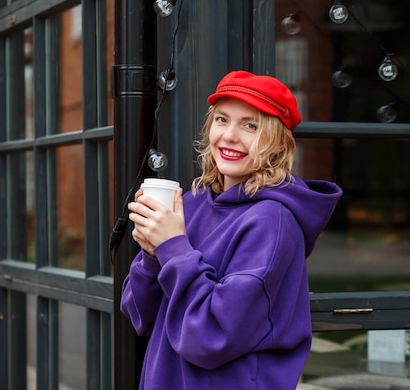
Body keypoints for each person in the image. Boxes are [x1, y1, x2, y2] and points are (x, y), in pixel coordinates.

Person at [120, 70, 342, 390]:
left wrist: (173, 247)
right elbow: (139, 313)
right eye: (222, 120)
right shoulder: (192, 205)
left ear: (278, 142)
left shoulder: (272, 223)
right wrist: (153, 254)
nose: (229, 136)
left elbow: (212, 336)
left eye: (250, 125)